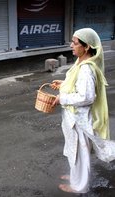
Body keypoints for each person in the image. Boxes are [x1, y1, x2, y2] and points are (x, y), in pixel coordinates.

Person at [51, 28, 109, 194]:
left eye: (75, 43)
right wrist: (63, 83)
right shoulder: (80, 63)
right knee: (73, 149)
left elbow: (87, 96)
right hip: (74, 118)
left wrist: (61, 98)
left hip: (80, 119)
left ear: (87, 47)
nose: (71, 45)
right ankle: (75, 176)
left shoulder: (86, 69)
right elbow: (76, 84)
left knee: (79, 153)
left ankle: (80, 185)